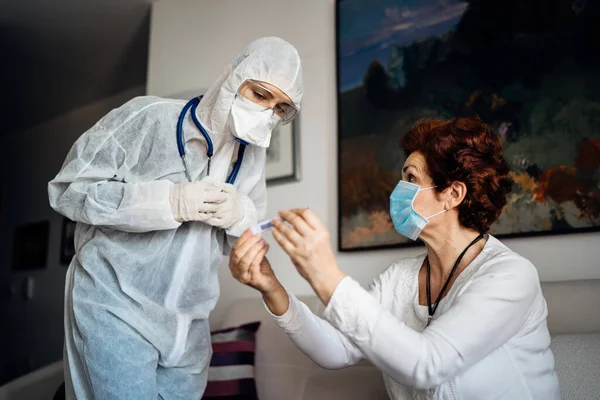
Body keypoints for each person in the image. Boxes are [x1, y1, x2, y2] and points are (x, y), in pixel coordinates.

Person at [229, 117, 561, 399]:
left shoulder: (511, 276)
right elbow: (336, 350)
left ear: (453, 194)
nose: (397, 189)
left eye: (411, 178)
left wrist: (325, 273)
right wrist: (270, 287)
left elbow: (428, 364)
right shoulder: (400, 278)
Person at [48, 36, 303, 399]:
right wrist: (168, 201)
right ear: (232, 76)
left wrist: (238, 215)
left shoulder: (253, 158)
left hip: (189, 328)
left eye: (280, 108)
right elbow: (69, 190)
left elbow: (245, 236)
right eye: (260, 95)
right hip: (116, 307)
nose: (268, 112)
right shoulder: (148, 119)